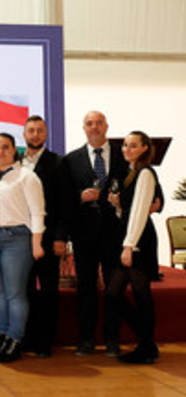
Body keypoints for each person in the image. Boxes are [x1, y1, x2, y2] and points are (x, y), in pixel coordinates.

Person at [63, 110, 129, 357]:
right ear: (84, 128)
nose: (94, 127)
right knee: (85, 289)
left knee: (114, 289)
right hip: (84, 235)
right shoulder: (72, 159)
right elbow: (63, 197)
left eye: (99, 123)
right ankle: (86, 339)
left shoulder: (124, 156)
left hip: (115, 235)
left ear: (106, 126)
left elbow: (136, 189)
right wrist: (79, 197)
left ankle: (112, 339)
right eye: (89, 123)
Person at [0, 133, 45, 363]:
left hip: (16, 239)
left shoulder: (27, 176)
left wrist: (36, 243)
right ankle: (3, 337)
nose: (0, 151)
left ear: (14, 149)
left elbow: (37, 212)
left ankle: (15, 339)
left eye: (5, 147)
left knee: (15, 293)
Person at [107, 131, 161, 364]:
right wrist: (118, 206)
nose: (126, 149)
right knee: (113, 293)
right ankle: (147, 343)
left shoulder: (145, 173)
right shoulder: (132, 172)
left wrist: (129, 246)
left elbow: (140, 212)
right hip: (131, 238)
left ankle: (146, 348)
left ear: (145, 148)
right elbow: (130, 211)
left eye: (133, 145)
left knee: (141, 295)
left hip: (139, 240)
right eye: (125, 145)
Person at [21, 116, 68, 358]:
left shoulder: (58, 163)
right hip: (20, 239)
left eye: (40, 130)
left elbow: (64, 203)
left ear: (46, 134)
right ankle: (28, 337)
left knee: (49, 290)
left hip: (49, 238)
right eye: (31, 130)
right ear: (24, 134)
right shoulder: (15, 161)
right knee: (24, 290)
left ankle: (45, 341)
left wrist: (61, 237)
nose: (35, 134)